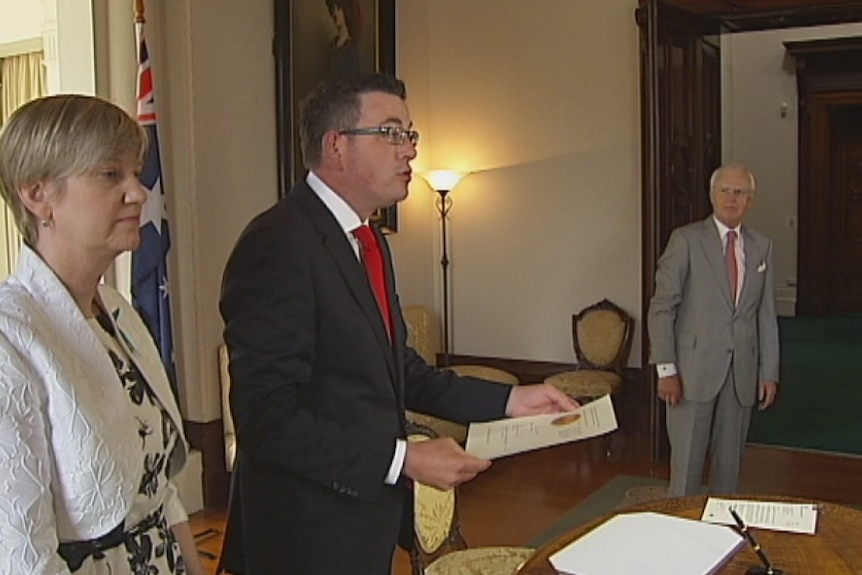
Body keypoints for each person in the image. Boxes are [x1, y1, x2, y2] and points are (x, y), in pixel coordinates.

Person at [219, 73, 578, 575]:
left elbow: (397, 371)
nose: (409, 150)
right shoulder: (277, 245)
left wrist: (512, 401)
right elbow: (266, 421)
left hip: (364, 526)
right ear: (336, 146)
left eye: (410, 135)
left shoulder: (369, 240)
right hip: (303, 537)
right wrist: (403, 459)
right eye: (391, 133)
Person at [0, 95, 203, 575]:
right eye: (112, 175)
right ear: (37, 194)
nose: (138, 193)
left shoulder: (118, 312)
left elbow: (159, 492)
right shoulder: (11, 336)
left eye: (135, 173)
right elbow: (23, 554)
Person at [647, 163, 780, 497]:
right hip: (692, 375)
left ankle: (721, 534)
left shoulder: (762, 247)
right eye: (724, 191)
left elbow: (765, 315)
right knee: (687, 469)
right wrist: (666, 370)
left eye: (740, 193)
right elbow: (662, 308)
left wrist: (769, 373)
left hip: (741, 376)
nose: (731, 198)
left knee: (730, 469)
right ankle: (680, 535)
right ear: (712, 196)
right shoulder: (686, 240)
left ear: (751, 200)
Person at [325, 0, 362, 79]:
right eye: (333, 9)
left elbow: (354, 83)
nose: (335, 13)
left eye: (338, 9)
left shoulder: (351, 49)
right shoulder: (332, 46)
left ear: (345, 11)